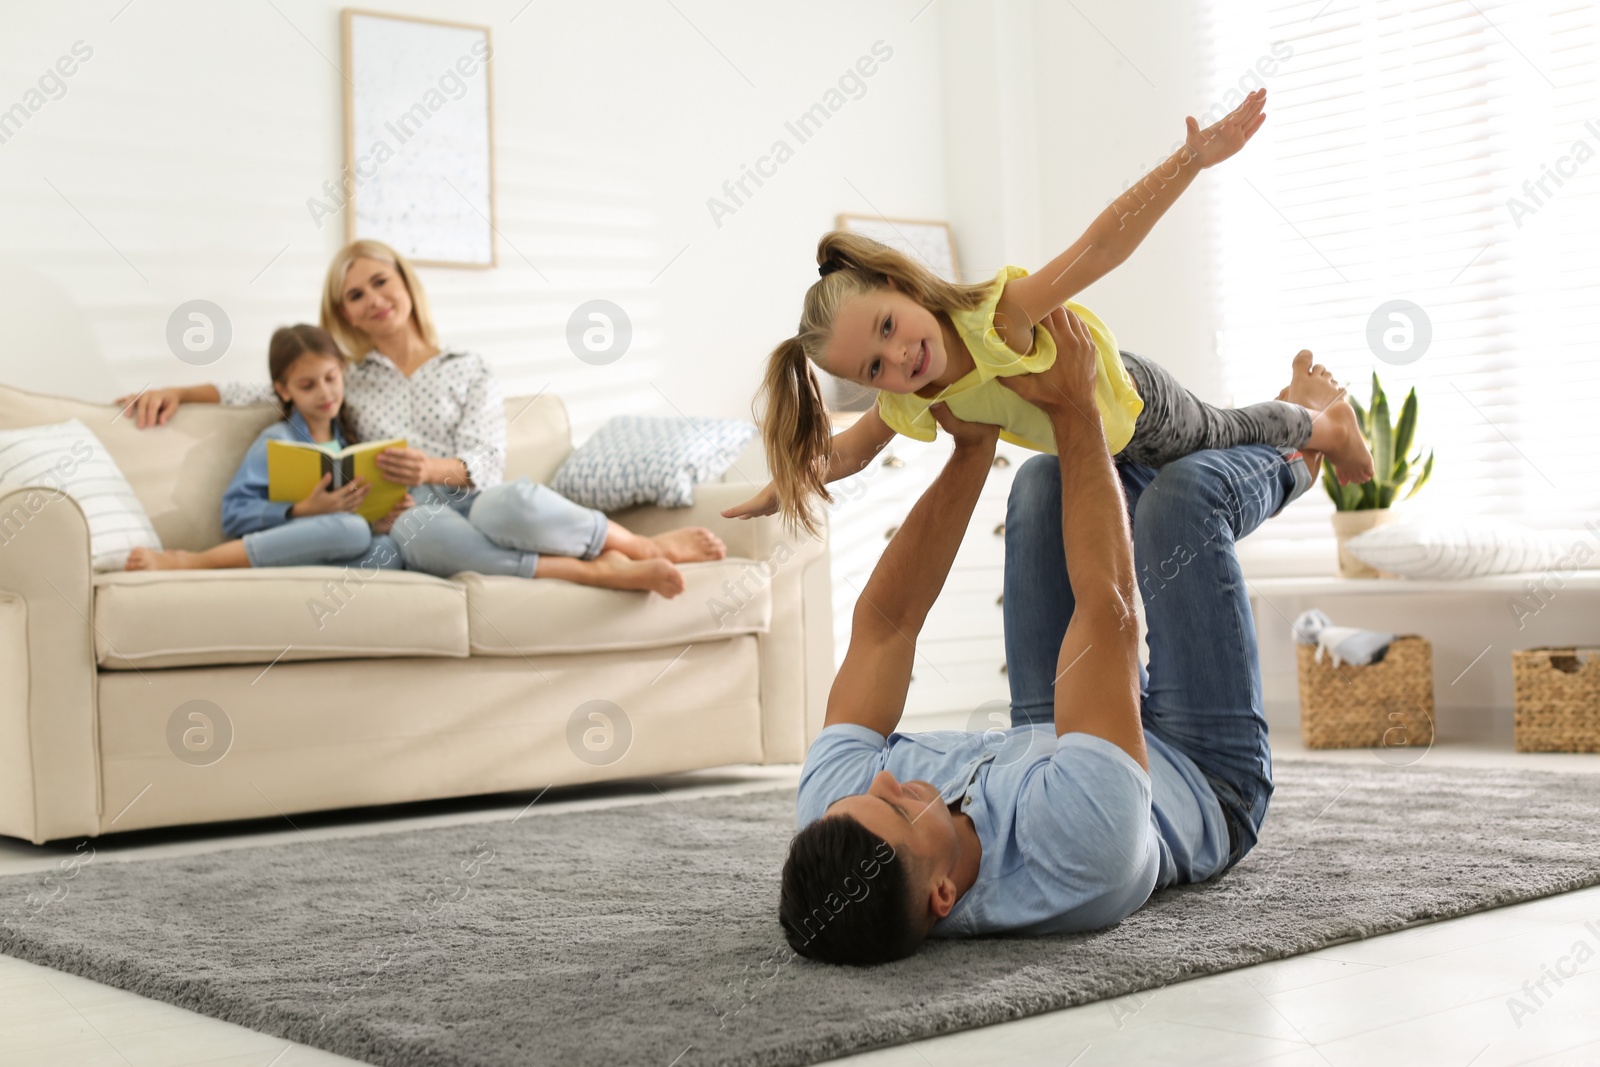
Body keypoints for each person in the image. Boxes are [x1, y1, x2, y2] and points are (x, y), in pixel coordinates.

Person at [778, 305, 1312, 965]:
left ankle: (1250, 425)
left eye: (867, 797)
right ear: (943, 896)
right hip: (1201, 774)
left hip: (1050, 735)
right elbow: (1108, 609)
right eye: (900, 810)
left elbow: (885, 625)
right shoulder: (1074, 845)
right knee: (1184, 499)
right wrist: (1076, 407)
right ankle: (1306, 448)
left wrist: (971, 450)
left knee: (1043, 480)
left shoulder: (837, 821)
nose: (884, 782)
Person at [727, 88, 1372, 535]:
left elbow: (1098, 249)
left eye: (888, 328)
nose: (896, 358)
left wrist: (1190, 161)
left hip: (1138, 408)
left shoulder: (995, 319)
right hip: (1091, 447)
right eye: (873, 368)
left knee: (1225, 433)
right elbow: (850, 454)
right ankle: (1306, 408)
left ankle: (1327, 425)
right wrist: (785, 485)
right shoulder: (910, 400)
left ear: (904, 286)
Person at [116, 239, 726, 598]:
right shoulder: (345, 379)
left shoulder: (469, 367)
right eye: (355, 296)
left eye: (380, 282)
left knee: (509, 502)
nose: (373, 299)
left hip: (475, 499)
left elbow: (486, 464)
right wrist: (180, 388)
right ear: (346, 315)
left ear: (404, 283)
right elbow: (263, 389)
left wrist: (430, 465)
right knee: (417, 534)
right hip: (414, 517)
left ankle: (635, 542)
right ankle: (602, 573)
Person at [125, 324, 409, 571]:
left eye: (331, 378)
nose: (325, 392)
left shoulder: (353, 442)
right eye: (308, 385)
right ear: (285, 391)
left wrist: (382, 519)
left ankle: (302, 575)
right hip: (291, 538)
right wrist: (301, 510)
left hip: (330, 548)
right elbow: (234, 514)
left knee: (389, 551)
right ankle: (194, 562)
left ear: (342, 373)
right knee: (352, 530)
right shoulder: (277, 440)